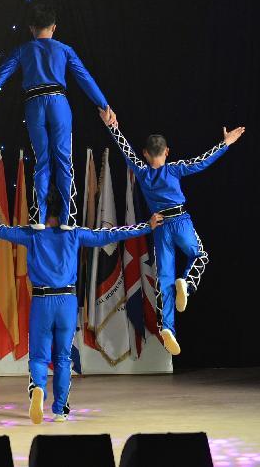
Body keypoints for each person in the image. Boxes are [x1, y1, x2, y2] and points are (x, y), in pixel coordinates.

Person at [0, 200, 161, 424]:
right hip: (67, 301)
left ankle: (38, 387)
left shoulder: (32, 234)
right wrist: (147, 225)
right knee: (63, 358)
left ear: (41, 212)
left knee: (38, 356)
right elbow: (110, 234)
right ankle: (60, 411)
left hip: (42, 301)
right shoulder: (75, 234)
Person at [103, 114, 245, 355]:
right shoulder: (175, 169)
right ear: (167, 151)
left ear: (146, 154)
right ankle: (187, 285)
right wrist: (225, 143)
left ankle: (167, 327)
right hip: (180, 221)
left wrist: (112, 126)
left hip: (159, 226)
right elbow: (202, 161)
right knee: (200, 256)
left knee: (164, 278)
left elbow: (124, 149)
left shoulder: (142, 172)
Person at [0, 3, 115, 229]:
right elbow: (85, 78)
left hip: (34, 104)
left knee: (43, 161)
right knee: (63, 160)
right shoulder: (65, 49)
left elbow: (2, 75)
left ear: (31, 28)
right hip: (58, 103)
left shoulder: (23, 50)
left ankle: (40, 218)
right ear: (54, 27)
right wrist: (104, 106)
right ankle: (67, 219)